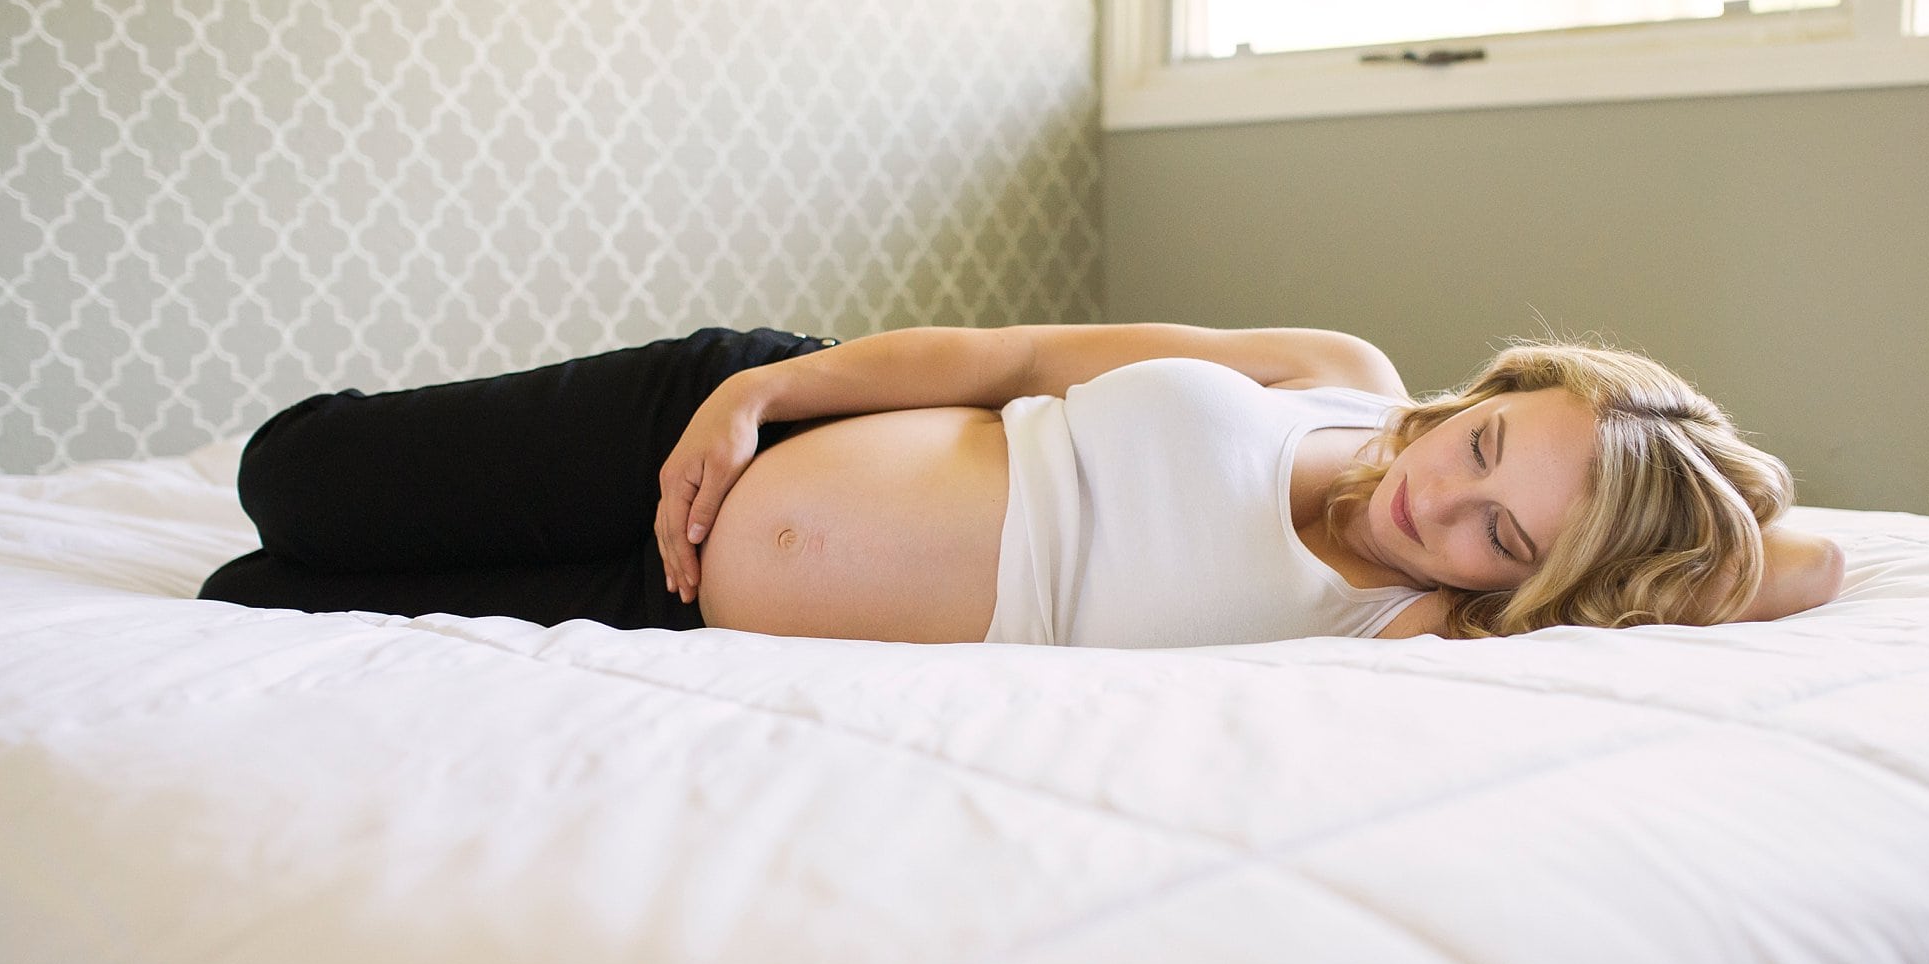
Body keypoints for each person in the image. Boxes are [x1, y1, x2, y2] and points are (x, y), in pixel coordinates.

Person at [198, 322, 1845, 645]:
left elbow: (1794, 565)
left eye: (1512, 536)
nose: (1452, 510)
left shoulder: (1402, 623)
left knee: (253, 599)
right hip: (713, 431)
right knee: (292, 481)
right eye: (1486, 448)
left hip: (678, 609)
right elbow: (1007, 356)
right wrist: (757, 390)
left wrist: (1673, 500)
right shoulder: (1331, 373)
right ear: (1484, 395)